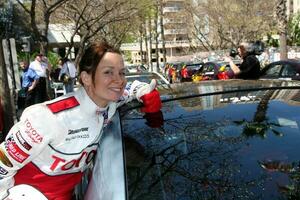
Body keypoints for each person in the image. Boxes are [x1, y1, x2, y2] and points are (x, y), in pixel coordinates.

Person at [0, 41, 161, 199]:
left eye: (122, 72)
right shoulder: (48, 117)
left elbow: (130, 89)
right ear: (86, 78)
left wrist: (143, 91)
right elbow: (2, 163)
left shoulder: (109, 104)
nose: (119, 80)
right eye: (108, 72)